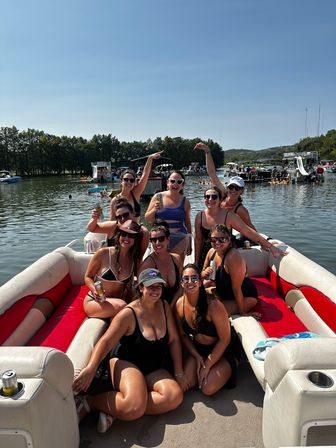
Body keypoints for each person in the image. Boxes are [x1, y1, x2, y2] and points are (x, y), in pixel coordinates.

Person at [73, 268, 185, 433]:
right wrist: (91, 367)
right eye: (150, 286)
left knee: (174, 396)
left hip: (152, 367)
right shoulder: (128, 314)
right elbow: (106, 341)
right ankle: (90, 402)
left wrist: (179, 373)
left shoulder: (164, 306)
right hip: (126, 363)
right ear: (141, 287)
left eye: (159, 286)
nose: (155, 290)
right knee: (133, 406)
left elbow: (174, 340)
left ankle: (116, 410)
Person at [174, 264, 236, 395]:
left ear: (200, 282)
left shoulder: (213, 305)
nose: (190, 282)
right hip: (199, 350)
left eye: (194, 278)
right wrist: (195, 355)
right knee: (186, 382)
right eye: (186, 279)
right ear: (181, 283)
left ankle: (231, 365)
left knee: (207, 388)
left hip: (222, 350)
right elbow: (182, 334)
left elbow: (225, 339)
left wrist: (208, 365)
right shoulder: (179, 305)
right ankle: (200, 368)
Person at [83, 220, 142, 318]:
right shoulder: (103, 253)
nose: (126, 238)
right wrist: (94, 290)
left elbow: (129, 287)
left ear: (136, 239)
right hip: (96, 301)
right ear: (119, 235)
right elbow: (88, 277)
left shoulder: (133, 260)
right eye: (124, 234)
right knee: (123, 306)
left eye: (131, 236)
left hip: (116, 302)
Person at [194, 142, 256, 230]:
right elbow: (211, 173)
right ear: (227, 188)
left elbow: (250, 227)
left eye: (237, 188)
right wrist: (207, 152)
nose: (233, 190)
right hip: (211, 229)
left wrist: (264, 241)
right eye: (231, 187)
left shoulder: (241, 210)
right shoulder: (222, 195)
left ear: (242, 191)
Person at [201, 225, 258, 316]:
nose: (217, 242)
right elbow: (202, 274)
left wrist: (242, 312)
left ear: (228, 240)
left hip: (244, 297)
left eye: (222, 239)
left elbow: (236, 288)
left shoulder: (233, 257)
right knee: (197, 301)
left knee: (213, 312)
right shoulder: (211, 252)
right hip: (223, 293)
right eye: (213, 239)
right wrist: (204, 273)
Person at [144, 170, 192, 262]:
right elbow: (147, 218)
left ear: (183, 185)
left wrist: (189, 242)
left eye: (179, 182)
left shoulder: (185, 202)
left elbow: (187, 223)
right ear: (167, 183)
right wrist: (154, 209)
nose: (175, 184)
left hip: (180, 238)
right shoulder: (158, 197)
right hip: (161, 238)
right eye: (172, 181)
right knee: (161, 264)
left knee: (177, 267)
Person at [109, 151, 163, 222]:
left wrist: (150, 158)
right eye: (126, 179)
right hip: (122, 231)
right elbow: (112, 221)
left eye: (131, 180)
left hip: (136, 230)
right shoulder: (114, 201)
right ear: (121, 181)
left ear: (134, 183)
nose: (129, 182)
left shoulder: (136, 194)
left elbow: (145, 175)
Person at [140, 221, 182, 305]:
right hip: (156, 306)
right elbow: (142, 292)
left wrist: (172, 306)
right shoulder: (148, 264)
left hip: (175, 303)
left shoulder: (176, 259)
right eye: (153, 240)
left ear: (168, 239)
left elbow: (181, 286)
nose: (157, 243)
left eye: (161, 239)